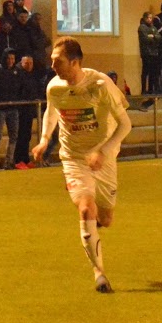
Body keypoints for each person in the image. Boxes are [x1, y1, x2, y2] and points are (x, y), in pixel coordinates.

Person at [30, 37, 133, 294]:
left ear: (75, 62)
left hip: (103, 157)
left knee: (105, 218)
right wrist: (43, 141)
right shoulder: (54, 87)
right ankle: (99, 273)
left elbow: (125, 125)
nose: (53, 66)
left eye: (58, 61)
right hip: (73, 157)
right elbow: (51, 111)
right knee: (86, 209)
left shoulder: (100, 85)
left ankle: (92, 226)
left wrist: (103, 151)